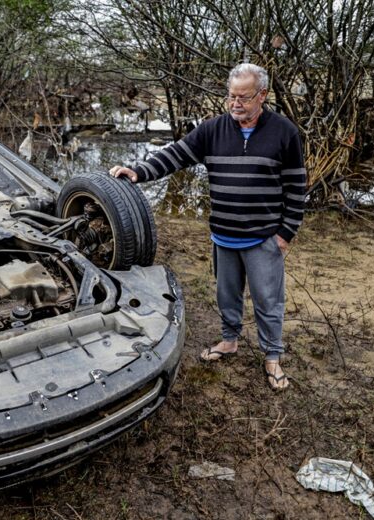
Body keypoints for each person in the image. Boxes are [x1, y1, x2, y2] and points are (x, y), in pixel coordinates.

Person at [109, 63, 306, 390]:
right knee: (226, 295)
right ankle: (229, 340)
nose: (236, 104)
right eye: (231, 96)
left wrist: (286, 234)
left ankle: (272, 356)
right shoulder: (212, 130)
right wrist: (138, 172)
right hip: (224, 236)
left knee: (268, 300)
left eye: (244, 97)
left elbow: (296, 187)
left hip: (262, 238)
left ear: (263, 95)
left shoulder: (284, 132)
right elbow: (176, 155)